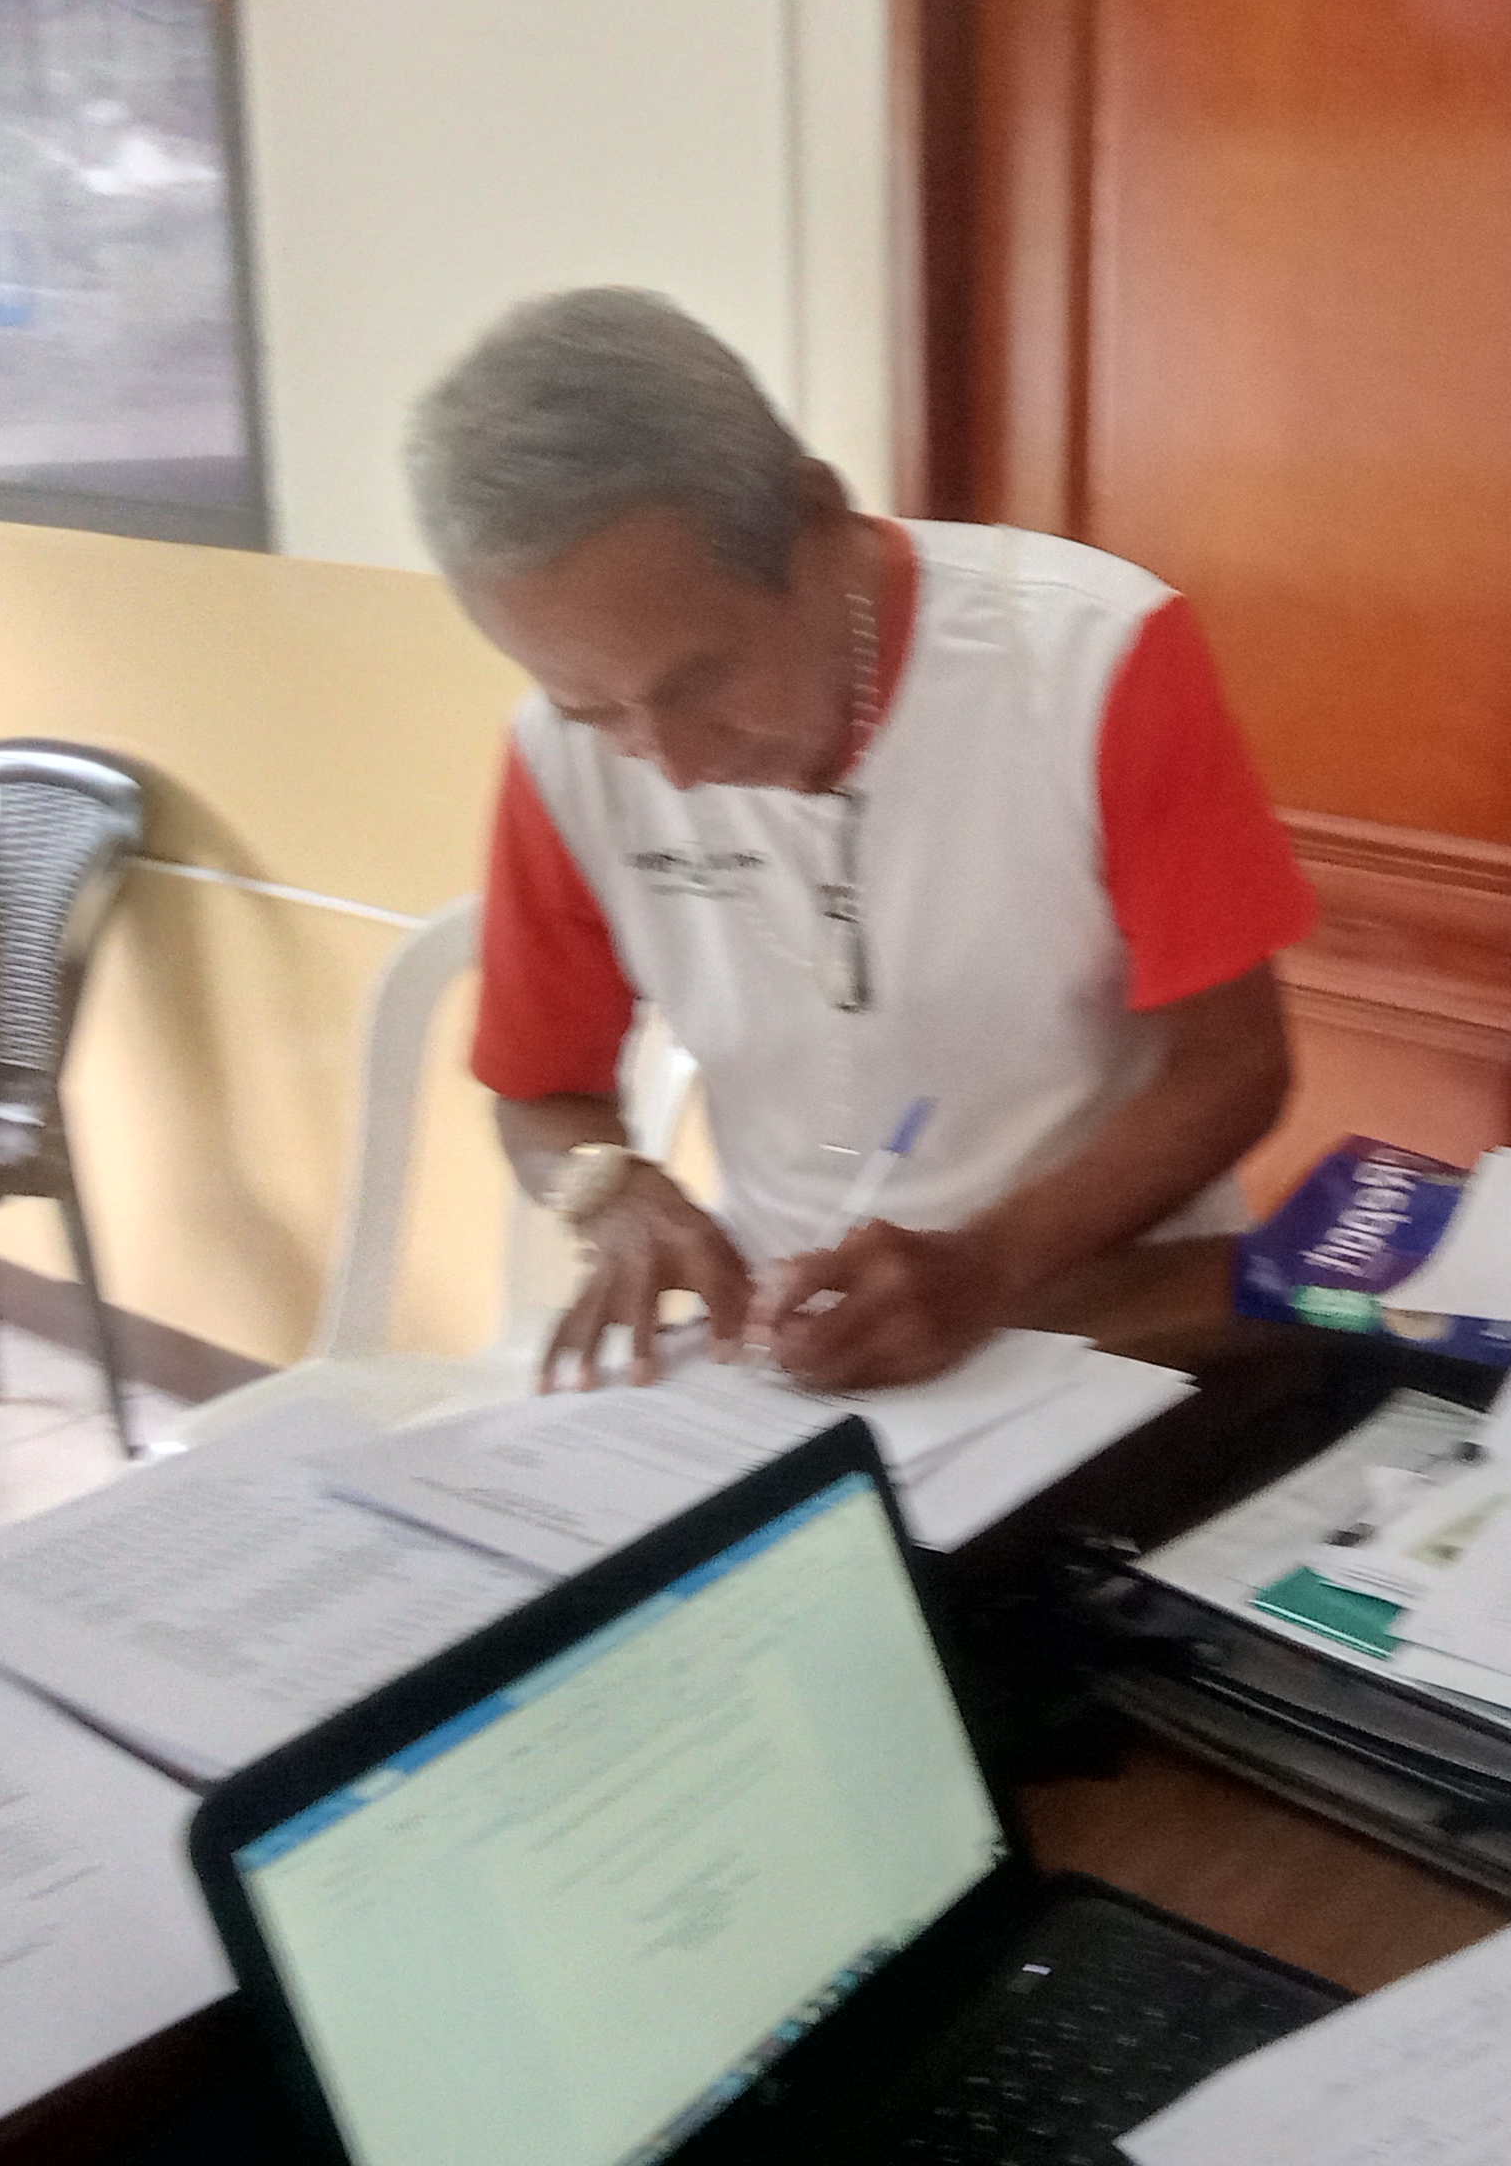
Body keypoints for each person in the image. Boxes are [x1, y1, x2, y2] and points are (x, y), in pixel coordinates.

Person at [410, 288, 1313, 1389]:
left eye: (700, 681)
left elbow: (1236, 1067)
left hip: (1106, 1307)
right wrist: (608, 1190)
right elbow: (541, 1094)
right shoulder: (556, 760)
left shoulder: (1092, 660)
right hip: (793, 1344)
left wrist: (991, 1262)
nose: (672, 763)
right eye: (594, 710)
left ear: (819, 522)